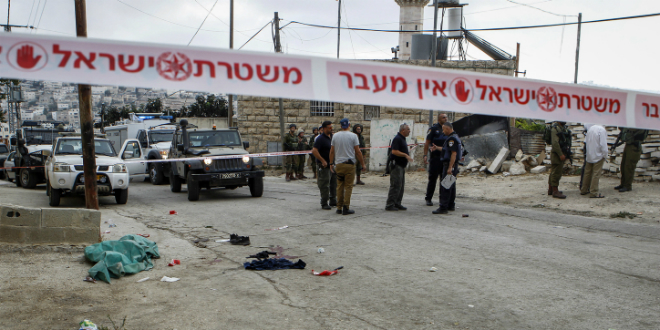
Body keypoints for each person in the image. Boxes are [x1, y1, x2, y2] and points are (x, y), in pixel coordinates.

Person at [329, 118, 365, 215]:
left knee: (339, 186)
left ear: (341, 126)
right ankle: (346, 207)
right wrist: (363, 163)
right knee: (348, 186)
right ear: (349, 125)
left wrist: (331, 163)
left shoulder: (335, 136)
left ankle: (339, 207)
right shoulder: (353, 136)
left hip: (339, 164)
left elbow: (332, 151)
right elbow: (357, 151)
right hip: (349, 164)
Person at [433, 122, 461, 215]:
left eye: (444, 129)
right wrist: (437, 148)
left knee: (446, 186)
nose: (443, 131)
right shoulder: (455, 137)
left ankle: (443, 207)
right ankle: (450, 205)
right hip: (452, 165)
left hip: (449, 165)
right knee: (451, 186)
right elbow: (447, 150)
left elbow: (453, 153)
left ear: (448, 129)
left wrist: (450, 167)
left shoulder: (452, 139)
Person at [386, 123, 413, 211]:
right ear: (403, 130)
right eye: (408, 129)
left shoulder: (402, 139)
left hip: (401, 166)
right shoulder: (397, 139)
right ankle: (390, 204)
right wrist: (405, 155)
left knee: (400, 186)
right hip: (396, 165)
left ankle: (397, 203)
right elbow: (394, 151)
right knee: (395, 185)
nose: (409, 131)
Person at [424, 113, 449, 206]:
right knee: (432, 179)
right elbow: (427, 143)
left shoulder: (448, 129)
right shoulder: (434, 129)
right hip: (435, 158)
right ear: (439, 119)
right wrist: (425, 155)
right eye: (444, 117)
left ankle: (443, 199)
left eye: (446, 117)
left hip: (445, 158)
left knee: (445, 180)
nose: (446, 119)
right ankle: (428, 198)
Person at [312, 121, 337, 210]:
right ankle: (324, 202)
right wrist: (322, 160)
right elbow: (314, 151)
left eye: (332, 127)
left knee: (334, 183)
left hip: (332, 164)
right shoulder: (320, 138)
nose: (331, 129)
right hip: (324, 165)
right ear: (324, 128)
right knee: (324, 184)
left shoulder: (332, 137)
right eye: (329, 127)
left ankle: (333, 199)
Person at [615, 128, 649, 192]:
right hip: (629, 144)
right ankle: (623, 184)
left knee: (629, 166)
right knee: (623, 166)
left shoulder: (639, 124)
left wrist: (626, 123)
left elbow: (632, 129)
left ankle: (627, 186)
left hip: (634, 146)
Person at [580, 124, 608, 198]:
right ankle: (593, 192)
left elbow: (586, 142)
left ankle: (584, 189)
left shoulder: (590, 129)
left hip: (589, 154)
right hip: (598, 155)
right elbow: (603, 144)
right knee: (596, 174)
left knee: (587, 173)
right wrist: (605, 155)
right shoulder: (602, 130)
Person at [549, 121, 570, 199]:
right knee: (556, 173)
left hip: (558, 153)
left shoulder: (560, 128)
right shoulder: (555, 129)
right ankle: (555, 191)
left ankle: (551, 189)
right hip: (557, 154)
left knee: (553, 171)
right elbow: (555, 143)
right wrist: (560, 154)